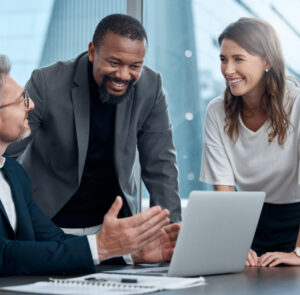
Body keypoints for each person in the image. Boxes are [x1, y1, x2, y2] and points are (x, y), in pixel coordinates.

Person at [0, 55, 180, 276]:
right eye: (21, 100)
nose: (32, 105)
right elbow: (4, 255)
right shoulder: (49, 81)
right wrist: (102, 246)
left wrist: (131, 253)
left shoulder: (13, 174)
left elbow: (55, 240)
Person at [5, 14, 181, 238]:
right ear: (92, 52)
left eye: (135, 66)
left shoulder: (151, 87)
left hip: (113, 229)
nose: (123, 75)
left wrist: (170, 230)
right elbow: (7, 149)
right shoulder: (47, 82)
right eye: (114, 63)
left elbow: (161, 163)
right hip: (48, 224)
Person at [200, 17, 300, 267]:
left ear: (268, 60)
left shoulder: (297, 103)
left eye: (238, 59)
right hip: (248, 225)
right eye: (223, 59)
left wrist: (299, 253)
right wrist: (235, 243)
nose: (227, 70)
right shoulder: (216, 111)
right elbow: (224, 193)